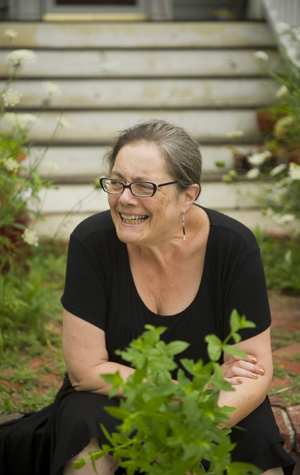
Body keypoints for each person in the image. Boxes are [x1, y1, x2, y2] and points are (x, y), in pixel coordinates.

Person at [0, 119, 295, 475]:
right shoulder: (91, 242)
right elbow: (87, 372)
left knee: (255, 444)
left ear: (188, 195)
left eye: (144, 186)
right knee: (85, 431)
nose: (124, 198)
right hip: (115, 398)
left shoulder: (234, 247)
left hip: (214, 403)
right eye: (118, 182)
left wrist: (194, 430)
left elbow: (253, 368)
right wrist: (185, 390)